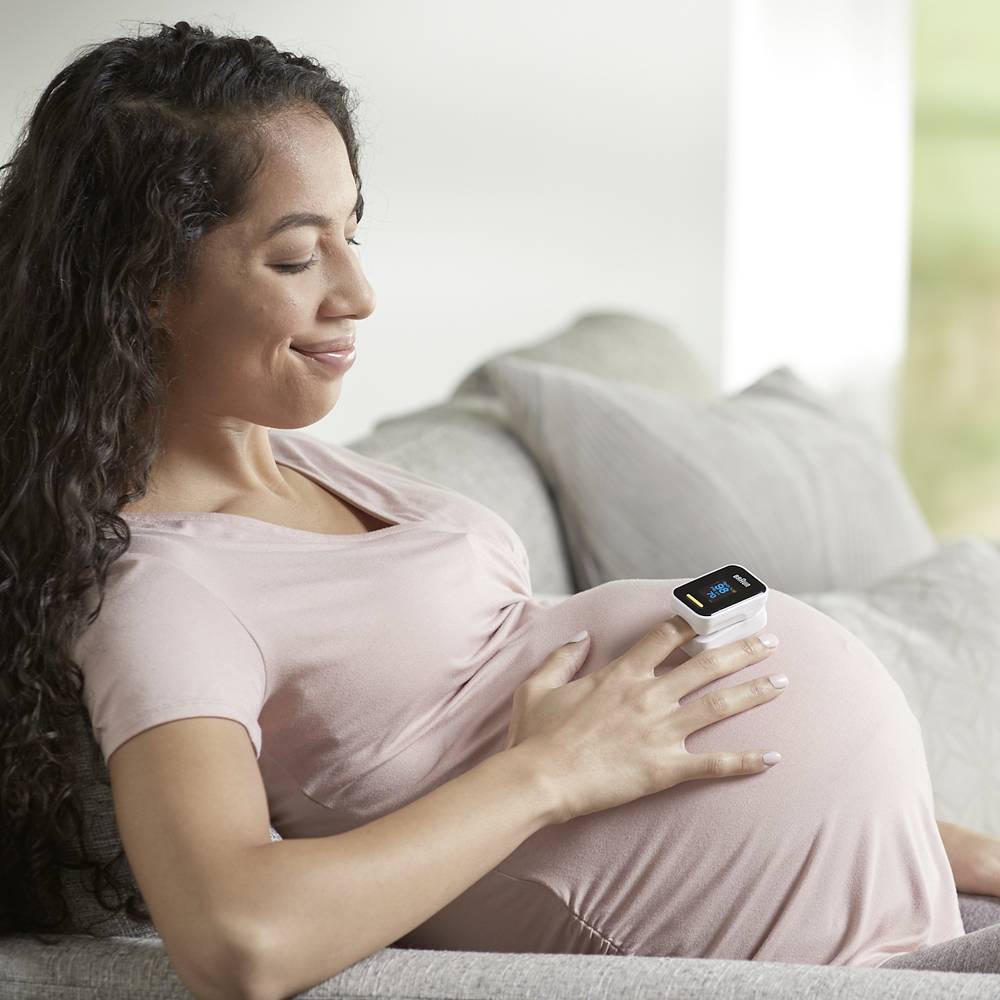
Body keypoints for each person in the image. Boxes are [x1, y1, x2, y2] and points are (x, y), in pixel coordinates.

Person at [0, 19, 996, 1000]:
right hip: (816, 968)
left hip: (907, 901)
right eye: (298, 257)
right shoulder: (162, 589)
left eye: (353, 233)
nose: (359, 291)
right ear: (143, 285)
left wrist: (940, 843)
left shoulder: (305, 464)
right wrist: (551, 771)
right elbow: (236, 938)